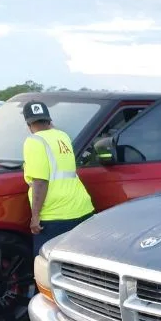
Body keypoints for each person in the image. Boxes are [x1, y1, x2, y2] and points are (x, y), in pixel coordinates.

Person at [22, 100, 95, 256]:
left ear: (28, 125)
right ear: (49, 120)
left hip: (55, 215)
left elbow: (40, 181)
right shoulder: (63, 136)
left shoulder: (34, 141)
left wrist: (35, 216)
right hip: (82, 208)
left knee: (47, 265)